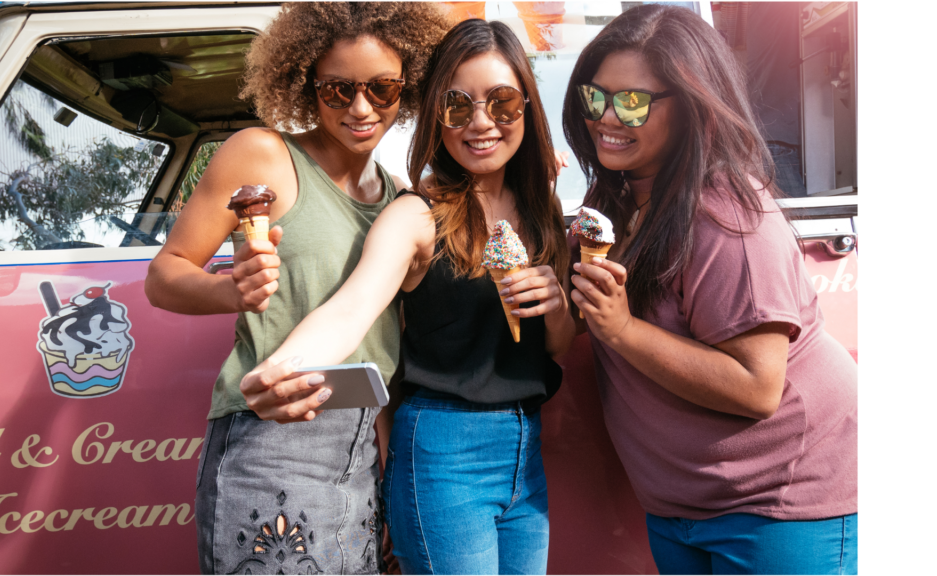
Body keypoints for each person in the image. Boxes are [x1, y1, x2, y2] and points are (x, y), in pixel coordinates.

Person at [241, 19, 575, 576]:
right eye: (457, 105)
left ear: (527, 109)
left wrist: (557, 304)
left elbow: (557, 348)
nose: (481, 123)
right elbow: (354, 304)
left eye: (503, 102)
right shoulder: (416, 214)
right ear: (434, 116)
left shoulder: (544, 216)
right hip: (444, 453)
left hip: (525, 449)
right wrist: (282, 368)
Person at [143, 1, 448, 574]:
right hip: (270, 433)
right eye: (338, 91)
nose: (361, 108)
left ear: (406, 90)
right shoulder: (263, 154)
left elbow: (381, 346)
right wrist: (232, 292)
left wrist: (385, 467)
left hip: (361, 447)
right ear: (306, 85)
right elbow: (165, 275)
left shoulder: (399, 198)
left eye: (382, 89)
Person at [562, 6, 859, 575]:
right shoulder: (616, 201)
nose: (606, 117)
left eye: (633, 102)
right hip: (682, 509)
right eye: (595, 97)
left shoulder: (726, 217)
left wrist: (622, 329)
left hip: (781, 506)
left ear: (693, 105)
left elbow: (756, 386)